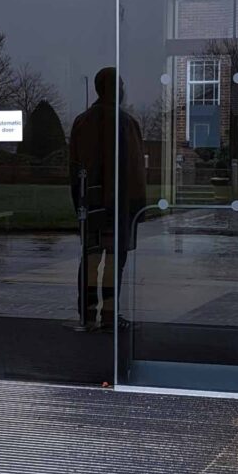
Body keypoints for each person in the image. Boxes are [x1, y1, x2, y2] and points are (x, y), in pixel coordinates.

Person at [69, 67, 147, 329]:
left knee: (89, 260)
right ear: (115, 89)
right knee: (115, 262)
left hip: (90, 207)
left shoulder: (82, 122)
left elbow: (74, 170)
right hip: (118, 207)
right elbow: (136, 172)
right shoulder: (126, 123)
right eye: (121, 85)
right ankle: (110, 314)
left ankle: (87, 312)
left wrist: (78, 205)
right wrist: (138, 209)